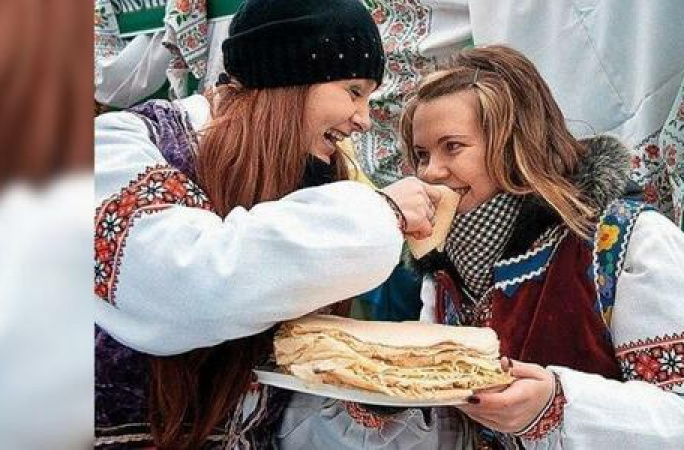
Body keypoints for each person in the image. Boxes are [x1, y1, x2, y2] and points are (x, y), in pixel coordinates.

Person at [276, 45, 684, 449]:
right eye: (421, 155)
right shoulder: (444, 274)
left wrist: (556, 404)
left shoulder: (627, 246)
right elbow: (456, 429)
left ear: (516, 145)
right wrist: (385, 398)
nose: (430, 172)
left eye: (452, 147)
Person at [93, 0, 443, 448]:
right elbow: (190, 287)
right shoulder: (120, 145)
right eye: (354, 91)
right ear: (289, 75)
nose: (364, 119)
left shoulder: (298, 180)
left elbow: (281, 413)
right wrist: (383, 212)